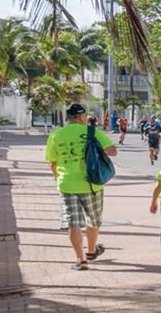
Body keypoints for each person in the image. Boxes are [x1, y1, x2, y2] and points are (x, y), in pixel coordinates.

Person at [44, 104, 118, 270]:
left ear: (68, 117)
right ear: (82, 117)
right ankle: (91, 250)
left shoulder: (55, 135)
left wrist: (59, 180)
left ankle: (80, 259)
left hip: (66, 184)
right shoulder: (92, 132)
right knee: (93, 219)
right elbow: (112, 151)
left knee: (73, 223)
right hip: (91, 184)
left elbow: (53, 163)